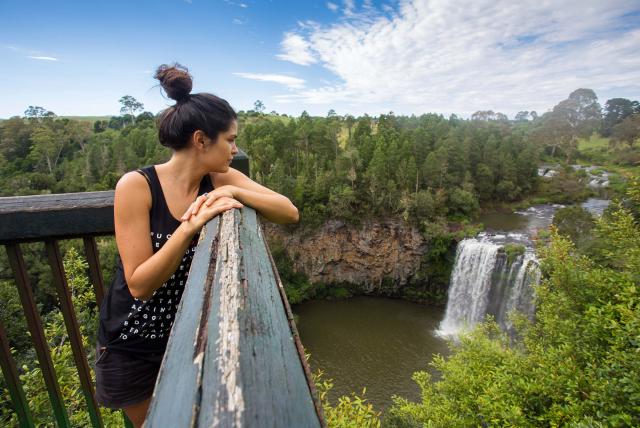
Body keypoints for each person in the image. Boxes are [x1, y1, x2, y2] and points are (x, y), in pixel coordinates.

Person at [94, 63, 299, 427]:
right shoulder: (137, 186)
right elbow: (139, 284)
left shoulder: (218, 177)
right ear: (201, 140)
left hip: (184, 334)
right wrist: (189, 226)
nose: (235, 149)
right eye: (230, 139)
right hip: (132, 341)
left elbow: (289, 212)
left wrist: (235, 189)